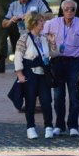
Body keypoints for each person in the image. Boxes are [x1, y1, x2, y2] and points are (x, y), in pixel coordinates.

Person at [42, 0, 79, 136]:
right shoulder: (53, 23)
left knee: (74, 94)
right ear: (62, 10)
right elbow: (39, 33)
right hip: (57, 61)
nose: (69, 11)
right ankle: (59, 125)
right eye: (66, 9)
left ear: (75, 10)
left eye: (72, 9)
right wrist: (48, 41)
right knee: (58, 95)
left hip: (74, 62)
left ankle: (73, 125)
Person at [14, 12, 57, 140]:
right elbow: (18, 57)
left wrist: (53, 43)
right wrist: (20, 74)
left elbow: (54, 54)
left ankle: (48, 127)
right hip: (30, 73)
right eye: (40, 21)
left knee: (46, 100)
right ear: (33, 23)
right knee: (30, 101)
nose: (43, 24)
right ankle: (30, 128)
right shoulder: (24, 38)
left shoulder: (44, 38)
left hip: (43, 73)